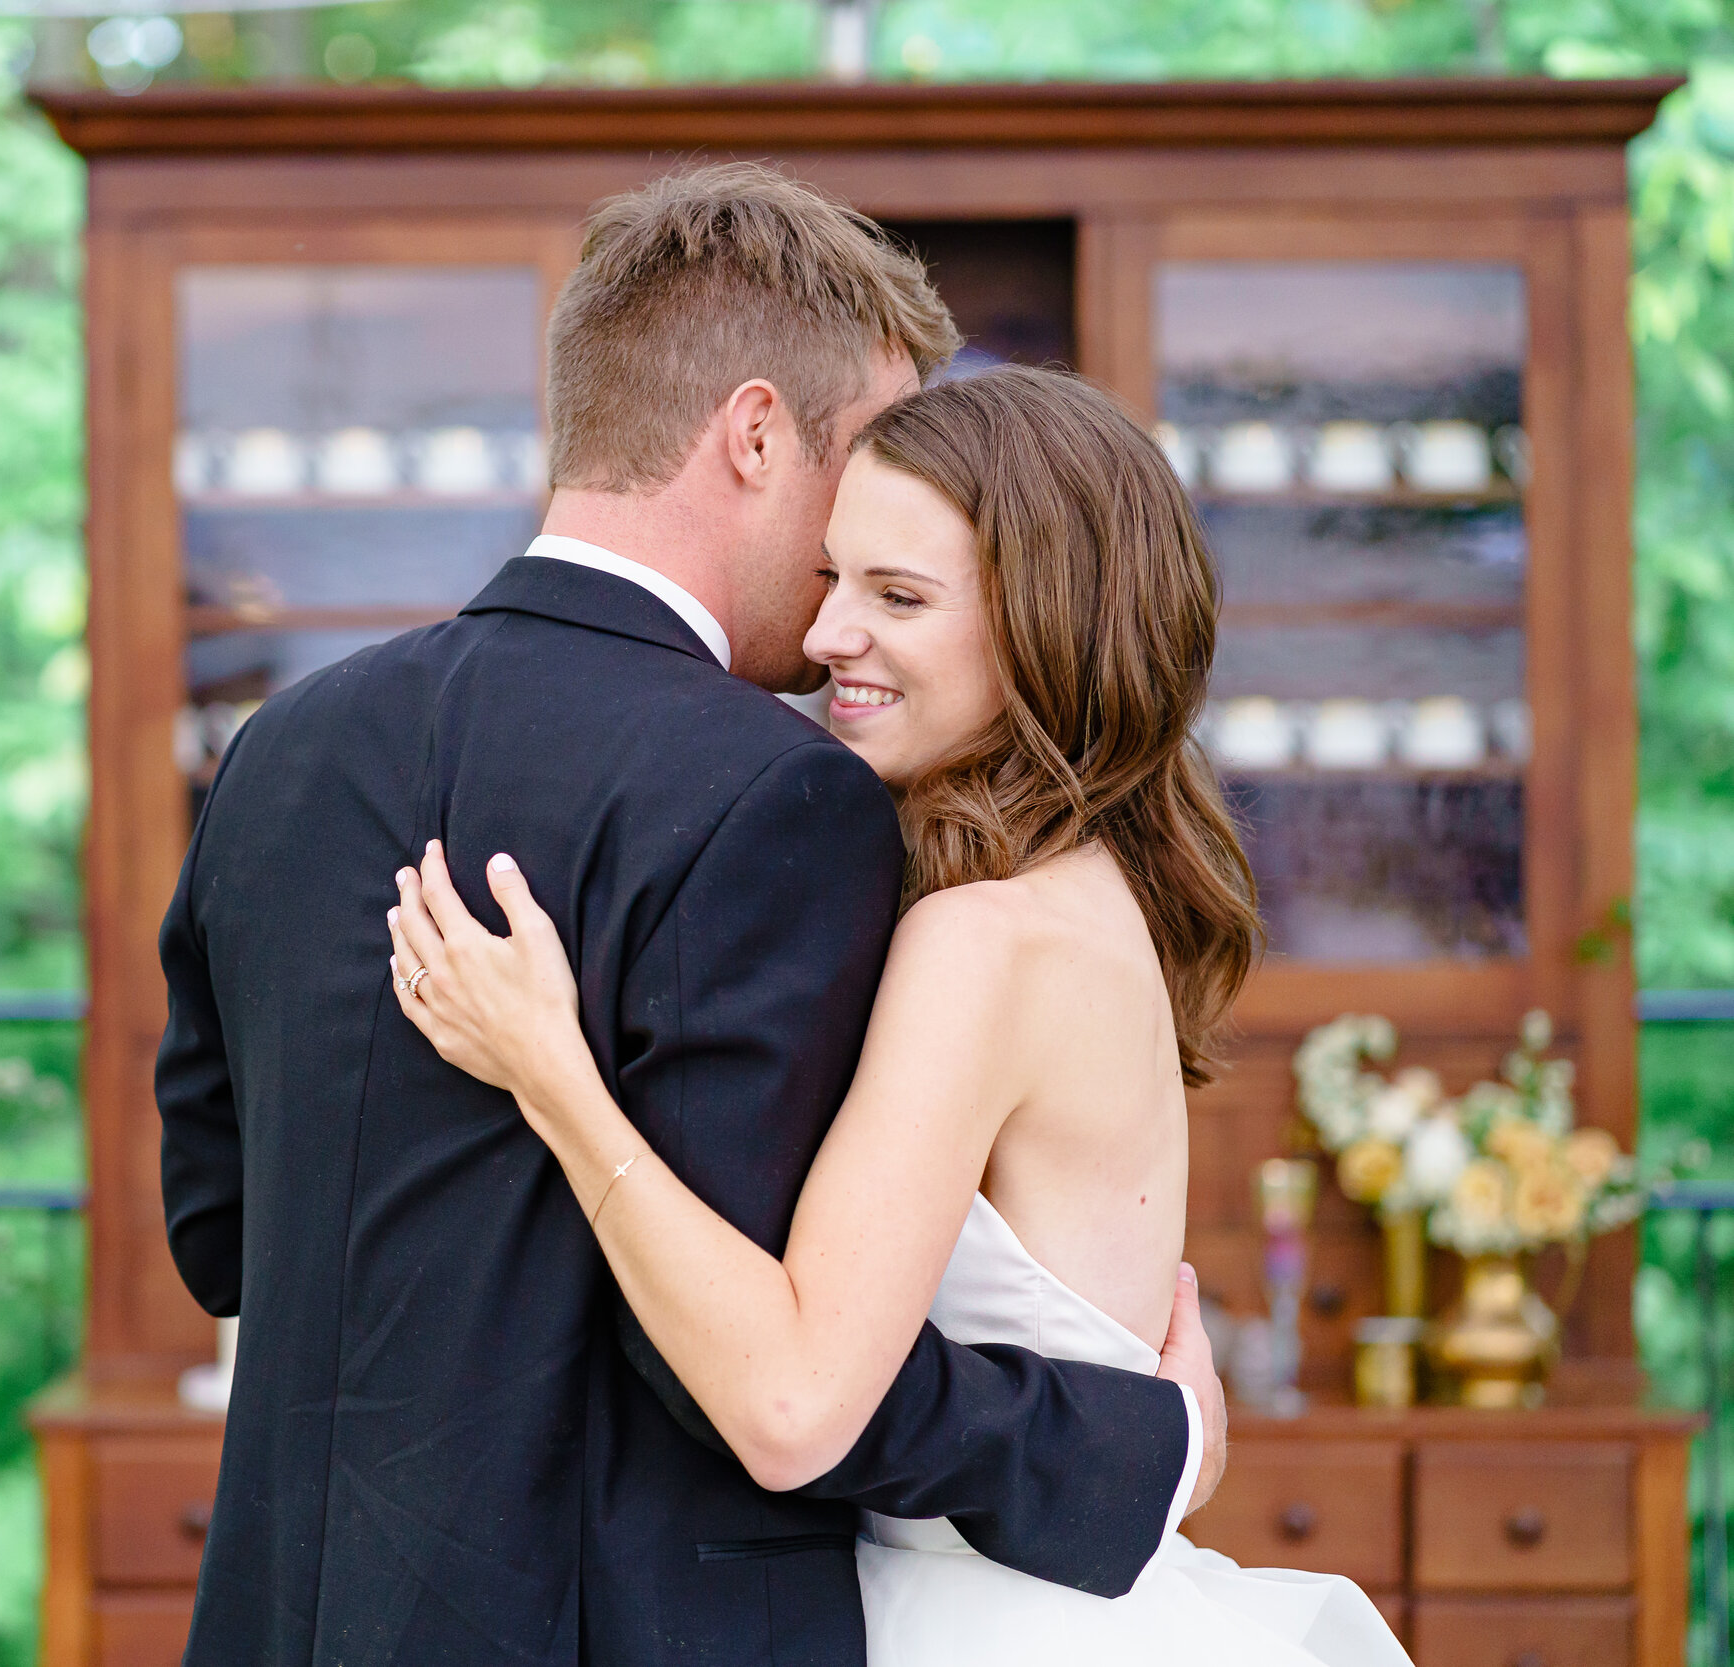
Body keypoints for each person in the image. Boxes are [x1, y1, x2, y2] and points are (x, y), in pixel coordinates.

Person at [156, 164, 1226, 1667]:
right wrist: (1128, 1443)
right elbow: (755, 1366)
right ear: (757, 431)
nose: (853, 547)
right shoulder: (780, 793)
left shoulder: (284, 750)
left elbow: (224, 1242)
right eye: (860, 462)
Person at [383, 363, 1412, 1666]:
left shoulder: (981, 941)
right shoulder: (1084, 892)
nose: (825, 638)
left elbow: (795, 1402)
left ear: (1048, 626)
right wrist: (1162, 1452)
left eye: (900, 597)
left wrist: (553, 1079)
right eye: (834, 579)